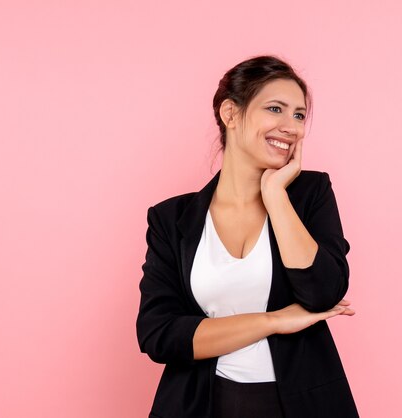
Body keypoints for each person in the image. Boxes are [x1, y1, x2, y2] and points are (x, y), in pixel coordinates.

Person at [136, 55, 359, 418]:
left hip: (300, 405)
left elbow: (322, 293)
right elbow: (158, 334)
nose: (292, 127)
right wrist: (272, 321)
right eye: (276, 109)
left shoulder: (310, 194)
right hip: (201, 405)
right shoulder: (172, 219)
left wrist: (276, 197)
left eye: (299, 115)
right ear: (230, 113)